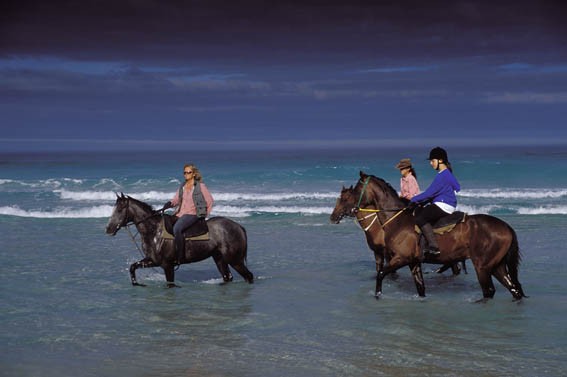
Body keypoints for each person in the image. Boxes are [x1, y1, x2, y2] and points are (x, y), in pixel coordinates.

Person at [409, 147, 460, 257]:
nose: (431, 163)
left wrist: (413, 200)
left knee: (420, 218)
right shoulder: (447, 174)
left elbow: (429, 193)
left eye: (432, 161)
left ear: (440, 160)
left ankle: (434, 246)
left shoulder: (442, 176)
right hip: (446, 204)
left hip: (443, 205)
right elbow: (457, 187)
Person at [163, 163, 214, 264]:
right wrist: (170, 203)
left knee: (177, 228)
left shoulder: (200, 186)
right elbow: (176, 200)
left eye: (188, 172)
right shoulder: (182, 186)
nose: (186, 174)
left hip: (193, 214)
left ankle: (180, 256)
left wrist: (204, 215)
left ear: (194, 174)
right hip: (180, 213)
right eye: (184, 172)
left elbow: (210, 201)